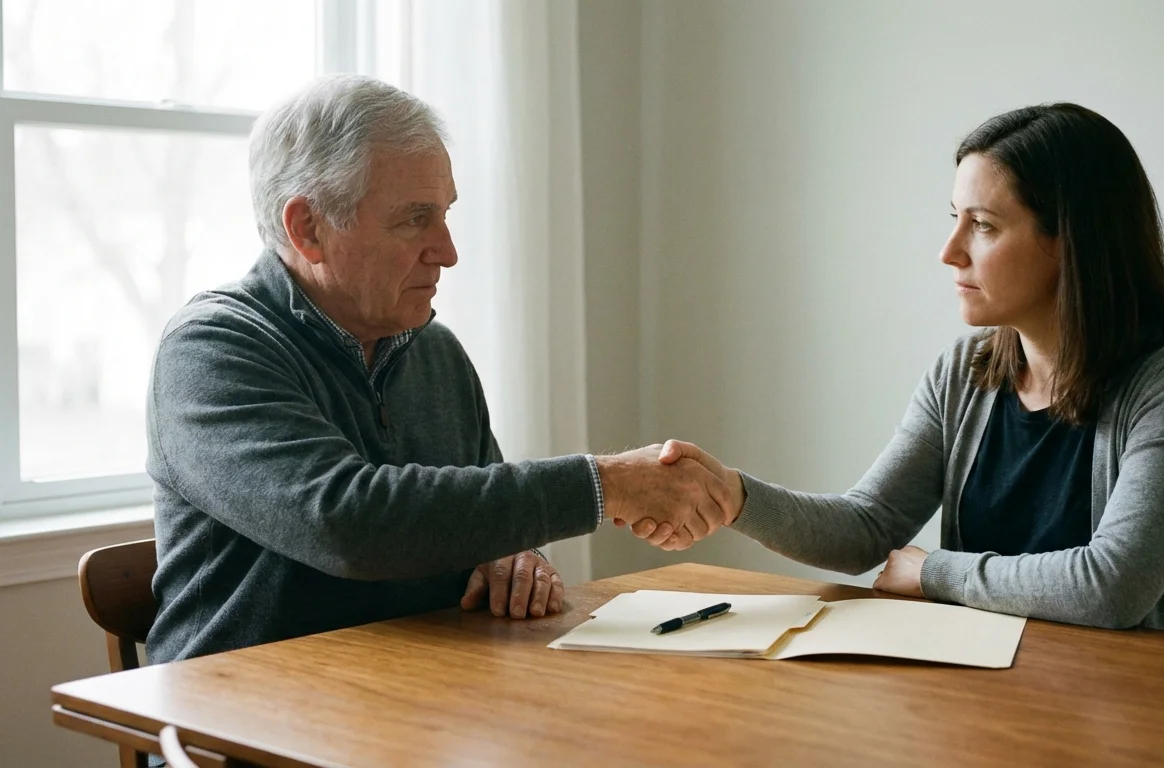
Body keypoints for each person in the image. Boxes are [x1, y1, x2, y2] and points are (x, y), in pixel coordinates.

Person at [145, 75, 730, 665]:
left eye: (445, 214)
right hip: (226, 725)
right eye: (413, 219)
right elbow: (348, 525)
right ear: (309, 229)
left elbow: (483, 519)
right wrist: (606, 484)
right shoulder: (211, 349)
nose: (447, 250)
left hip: (410, 699)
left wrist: (516, 557)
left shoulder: (437, 352)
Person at [643, 103, 1164, 634]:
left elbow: (1112, 588)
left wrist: (935, 574)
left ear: (1072, 242)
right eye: (955, 217)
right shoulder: (964, 373)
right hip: (984, 699)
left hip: (1139, 714)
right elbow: (867, 527)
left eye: (983, 225)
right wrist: (733, 495)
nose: (949, 251)